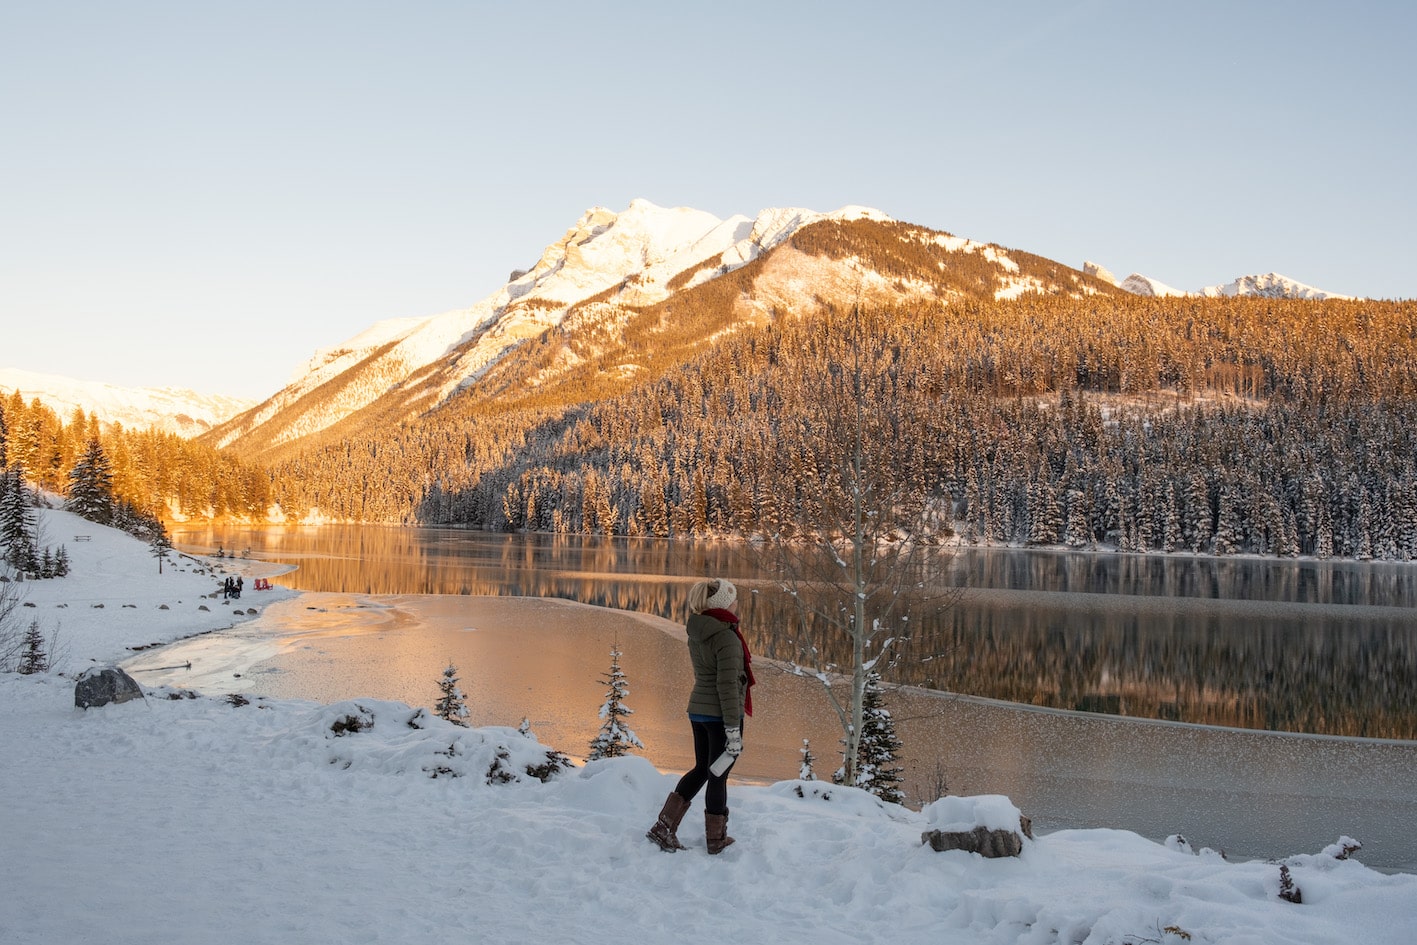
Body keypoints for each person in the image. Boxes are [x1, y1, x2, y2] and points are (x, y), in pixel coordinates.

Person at [646, 578, 756, 854]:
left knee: (701, 770)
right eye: (733, 598)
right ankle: (715, 839)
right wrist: (733, 729)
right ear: (723, 604)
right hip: (719, 715)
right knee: (717, 775)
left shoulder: (699, 630)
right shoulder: (727, 637)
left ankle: (663, 827)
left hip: (698, 710)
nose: (736, 603)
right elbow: (728, 686)